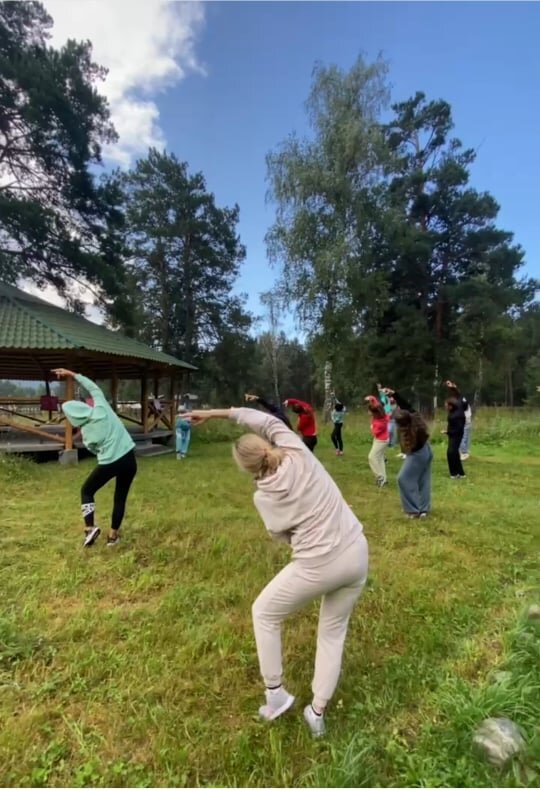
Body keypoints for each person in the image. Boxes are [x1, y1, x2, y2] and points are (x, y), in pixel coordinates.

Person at [188, 406, 368, 737]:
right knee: (333, 631)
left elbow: (282, 535)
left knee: (264, 613)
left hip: (317, 564)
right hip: (356, 551)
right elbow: (265, 419)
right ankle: (317, 712)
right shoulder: (297, 449)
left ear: (246, 468)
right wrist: (216, 413)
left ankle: (276, 694)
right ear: (267, 444)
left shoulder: (264, 498)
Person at [53, 368, 137, 547]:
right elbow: (93, 388)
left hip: (109, 462)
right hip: (129, 458)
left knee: (87, 491)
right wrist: (73, 374)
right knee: (120, 497)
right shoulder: (101, 407)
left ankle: (90, 528)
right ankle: (113, 537)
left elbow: (93, 449)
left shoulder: (86, 434)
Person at [383, 388, 432, 518]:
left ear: (401, 425)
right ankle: (423, 509)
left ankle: (412, 510)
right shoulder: (414, 418)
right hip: (426, 450)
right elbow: (407, 406)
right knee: (423, 479)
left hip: (419, 453)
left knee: (403, 478)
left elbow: (411, 449)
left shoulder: (413, 433)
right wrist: (394, 394)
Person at [365, 395, 390, 487]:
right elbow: (375, 402)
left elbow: (375, 433)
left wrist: (372, 427)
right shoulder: (379, 412)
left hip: (381, 441)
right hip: (382, 439)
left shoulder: (381, 422)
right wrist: (371, 399)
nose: (368, 412)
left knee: (372, 457)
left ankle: (380, 477)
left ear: (375, 413)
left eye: (369, 411)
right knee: (379, 459)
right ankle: (384, 479)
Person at [445, 380, 472, 460]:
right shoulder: (460, 398)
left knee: (463, 436)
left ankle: (464, 453)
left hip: (465, 418)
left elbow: (464, 407)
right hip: (466, 418)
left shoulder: (459, 399)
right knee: (465, 436)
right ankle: (465, 452)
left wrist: (452, 387)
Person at [442, 396, 466, 479]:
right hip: (452, 435)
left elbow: (459, 428)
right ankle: (461, 473)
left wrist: (448, 432)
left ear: (451, 406)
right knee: (454, 453)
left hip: (456, 436)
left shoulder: (457, 415)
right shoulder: (453, 412)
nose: (445, 407)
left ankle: (454, 473)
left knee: (451, 453)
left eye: (446, 405)